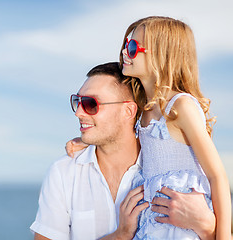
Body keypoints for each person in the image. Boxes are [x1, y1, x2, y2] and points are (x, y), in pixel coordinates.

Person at [68, 16, 231, 239]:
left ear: (161, 55)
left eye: (133, 47)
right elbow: (121, 137)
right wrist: (86, 140)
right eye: (126, 45)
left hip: (181, 221)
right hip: (154, 220)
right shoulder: (143, 108)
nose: (125, 52)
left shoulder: (180, 106)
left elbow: (217, 175)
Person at [30, 62, 216, 240]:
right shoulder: (63, 172)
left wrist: (207, 228)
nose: (79, 112)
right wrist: (120, 236)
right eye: (77, 101)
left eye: (90, 104)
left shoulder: (169, 170)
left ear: (128, 111)